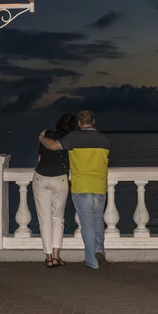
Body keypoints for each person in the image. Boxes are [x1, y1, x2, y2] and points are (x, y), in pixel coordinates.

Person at [39, 110, 110, 270]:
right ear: (93, 121)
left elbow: (52, 146)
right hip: (99, 185)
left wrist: (41, 137)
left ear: (79, 123)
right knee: (98, 219)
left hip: (82, 185)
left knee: (87, 223)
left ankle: (91, 260)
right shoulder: (105, 140)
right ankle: (99, 250)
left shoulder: (73, 138)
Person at [33, 113, 77, 268]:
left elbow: (39, 158)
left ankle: (49, 257)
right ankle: (57, 256)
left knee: (44, 219)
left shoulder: (47, 135)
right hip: (60, 179)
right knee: (58, 218)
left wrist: (41, 136)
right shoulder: (72, 139)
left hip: (41, 178)